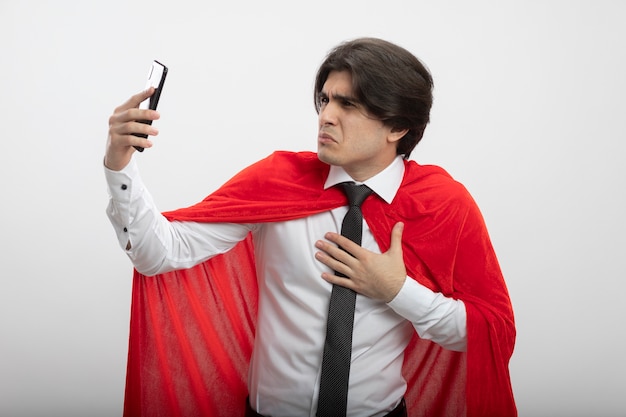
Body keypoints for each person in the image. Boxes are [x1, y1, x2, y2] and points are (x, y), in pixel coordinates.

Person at [105, 37, 517, 417]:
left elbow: (490, 335)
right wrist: (119, 162)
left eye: (349, 105)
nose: (327, 117)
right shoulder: (277, 181)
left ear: (398, 126)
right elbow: (158, 253)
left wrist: (397, 291)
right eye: (325, 100)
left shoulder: (441, 205)